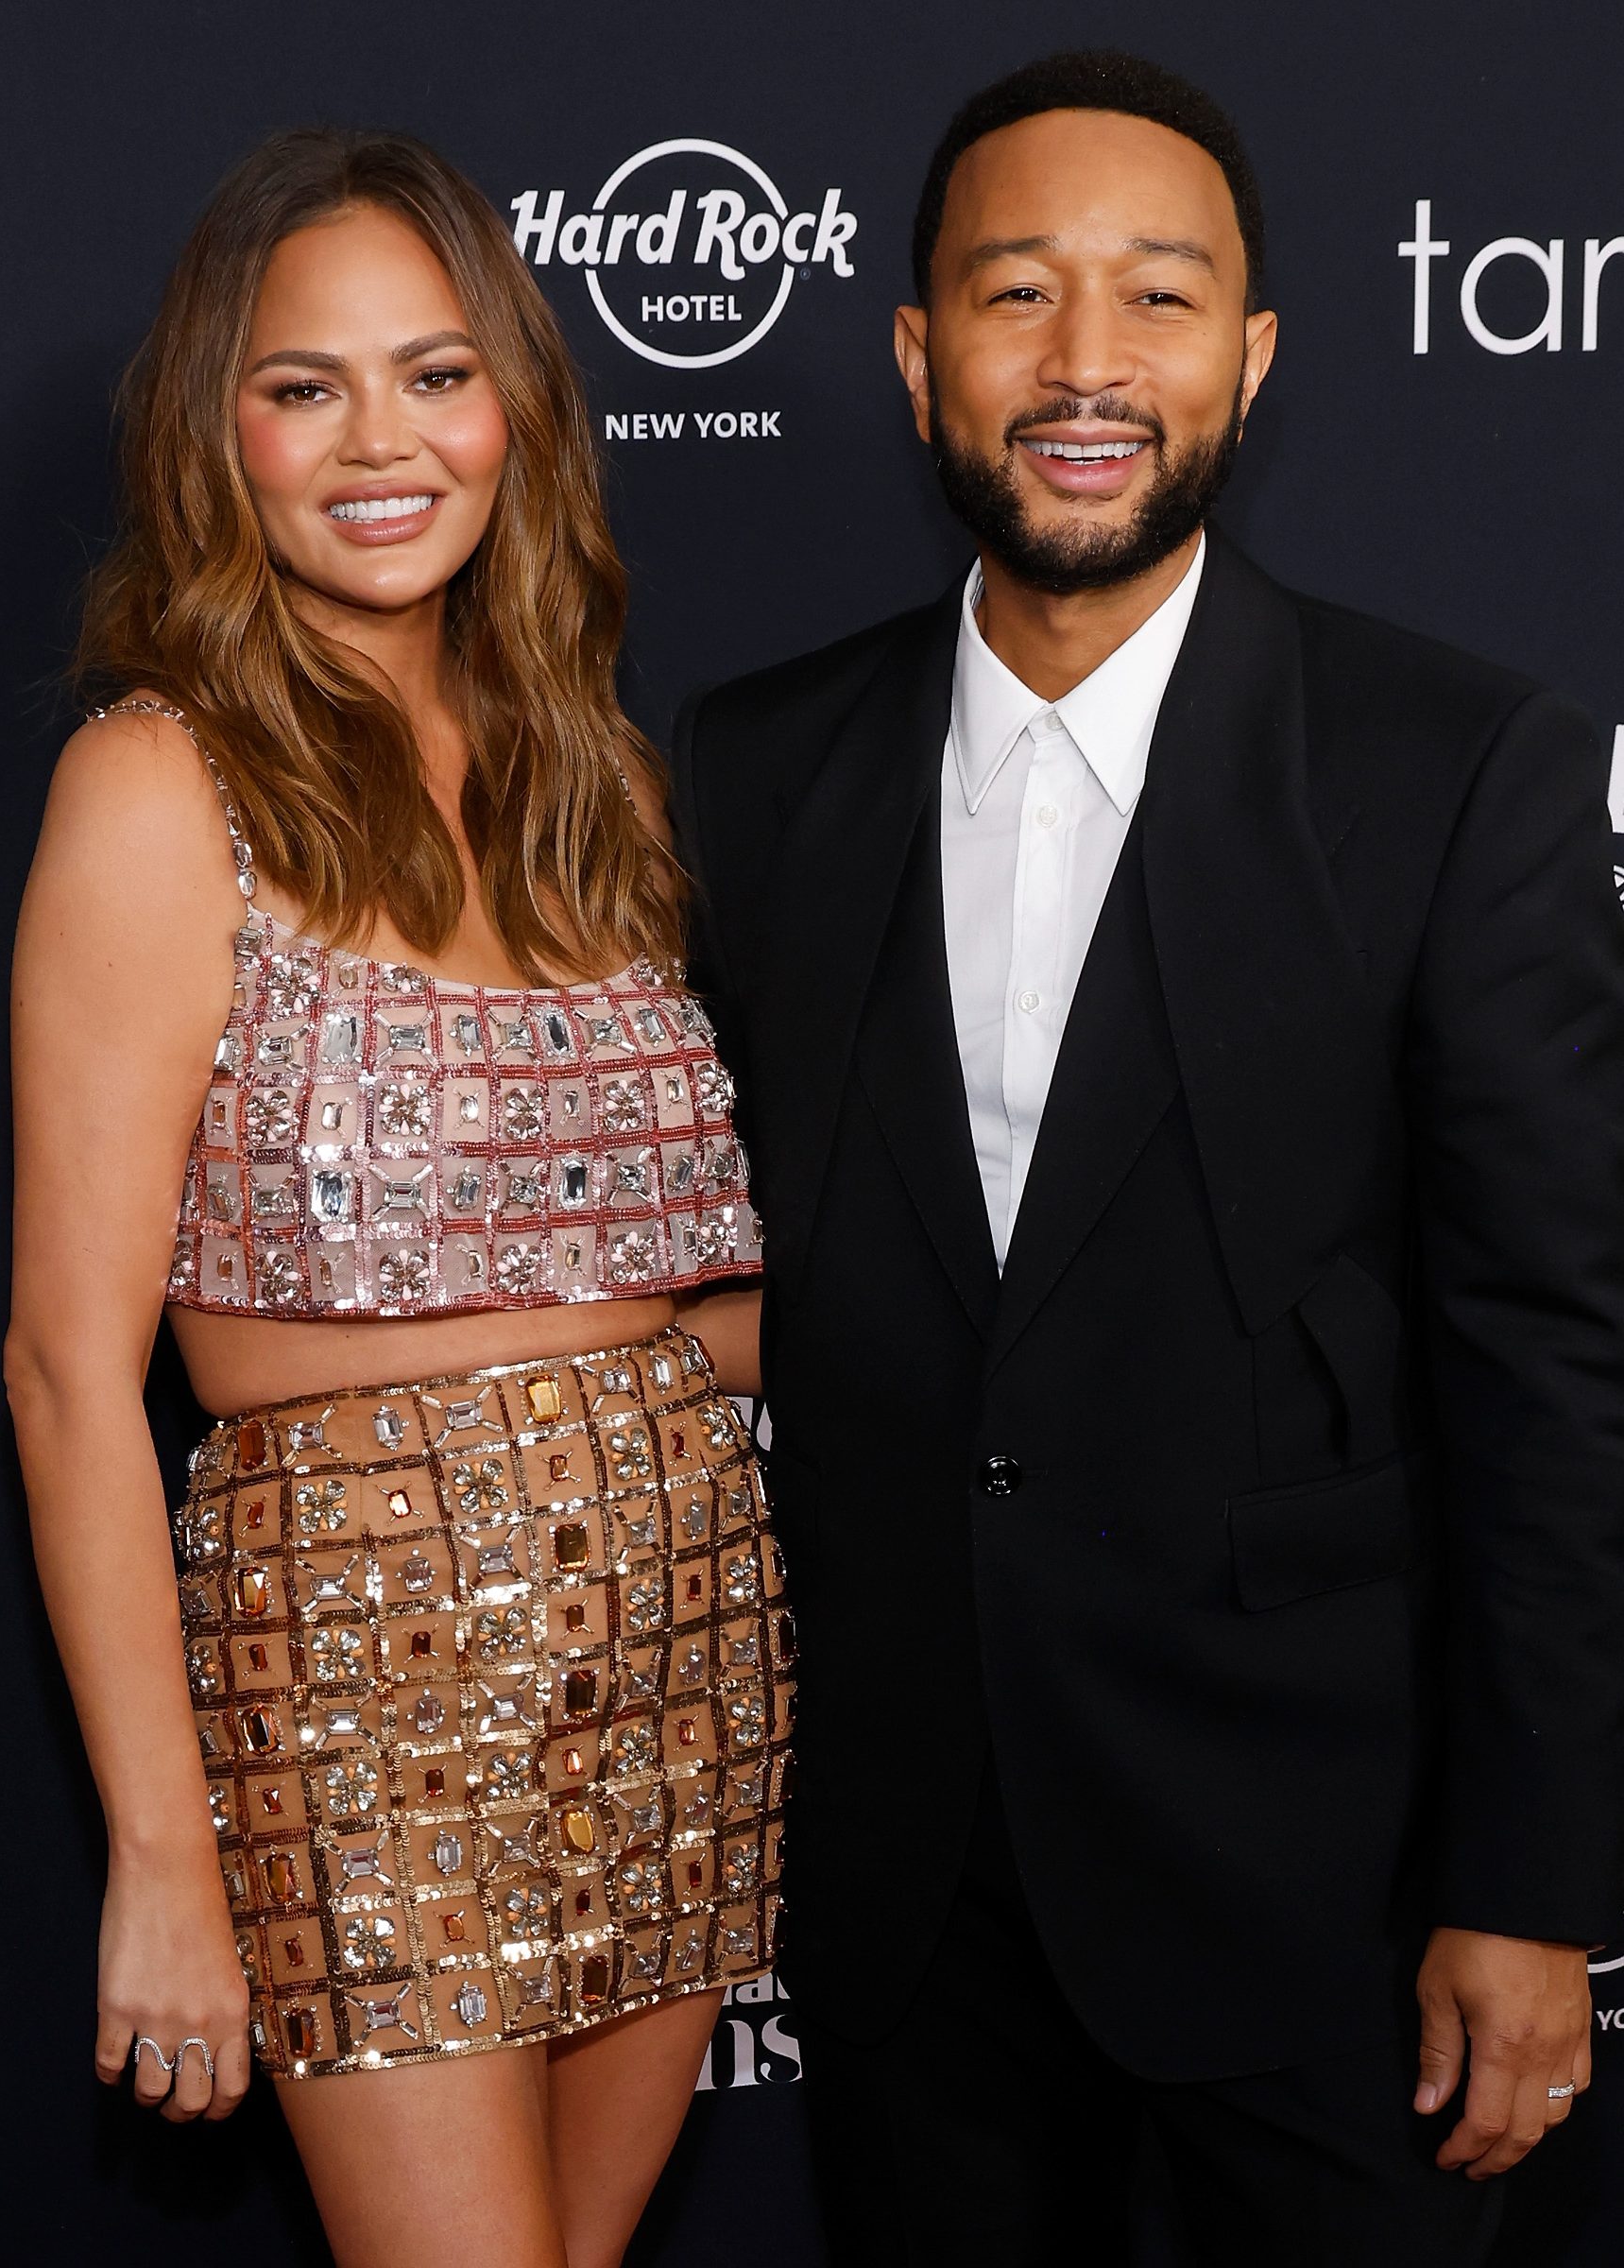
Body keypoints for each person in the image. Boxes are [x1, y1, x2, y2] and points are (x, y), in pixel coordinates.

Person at [670, 48, 1624, 2266]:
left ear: (1254, 359)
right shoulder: (748, 764)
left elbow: (1553, 1363)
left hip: (1331, 1892)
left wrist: (1535, 1888)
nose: (1085, 365)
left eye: (1159, 299)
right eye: (1017, 296)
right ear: (919, 363)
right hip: (903, 1891)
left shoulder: (1456, 763)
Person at [6, 128, 793, 2268]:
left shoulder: (594, 781)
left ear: (516, 411)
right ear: (218, 432)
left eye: (438, 376)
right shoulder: (161, 781)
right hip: (368, 1678)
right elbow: (72, 1373)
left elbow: (696, 1283)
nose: (385, 443)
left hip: (683, 1639)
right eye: (306, 386)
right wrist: (165, 1854)